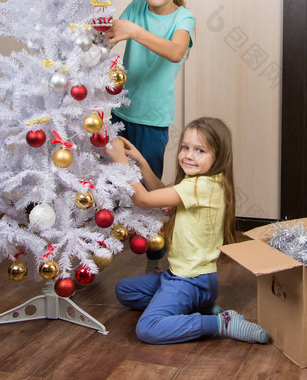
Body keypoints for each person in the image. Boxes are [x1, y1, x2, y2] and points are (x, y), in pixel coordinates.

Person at [106, 117, 268, 345]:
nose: (189, 155)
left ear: (218, 156)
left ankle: (221, 323)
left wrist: (120, 162)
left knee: (148, 328)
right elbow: (160, 190)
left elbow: (143, 199)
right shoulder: (204, 182)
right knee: (125, 291)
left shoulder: (201, 186)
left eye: (200, 150)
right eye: (185, 147)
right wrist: (140, 160)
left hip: (191, 280)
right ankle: (200, 305)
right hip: (180, 276)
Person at [105, 0, 195, 180]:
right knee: (114, 184)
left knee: (146, 185)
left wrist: (135, 32)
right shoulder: (136, 7)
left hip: (152, 120)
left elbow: (176, 52)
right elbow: (108, 39)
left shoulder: (184, 18)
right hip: (120, 111)